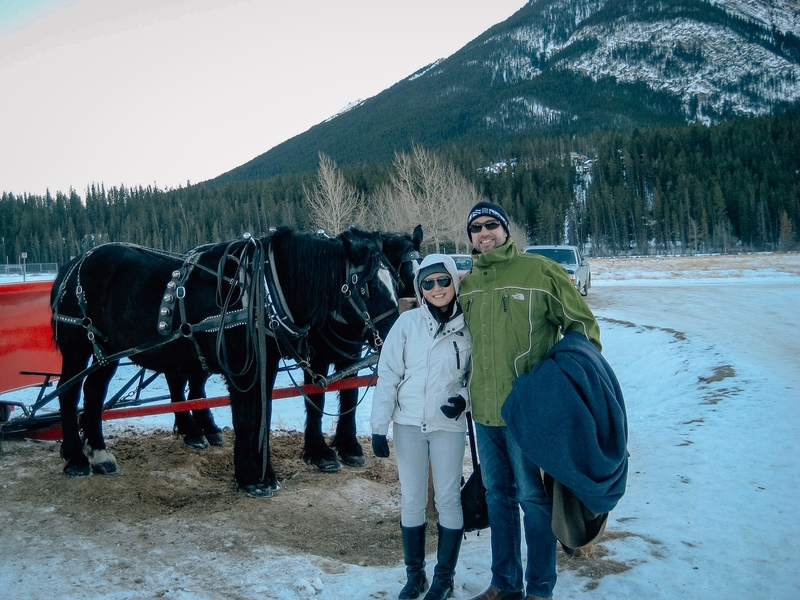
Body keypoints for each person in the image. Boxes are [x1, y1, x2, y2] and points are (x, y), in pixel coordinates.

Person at [458, 202, 602, 600]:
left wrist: (566, 385)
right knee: (497, 498)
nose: (483, 233)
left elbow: (583, 330)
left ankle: (539, 588)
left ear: (506, 230)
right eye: (475, 228)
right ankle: (504, 584)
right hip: (484, 412)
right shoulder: (467, 285)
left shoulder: (540, 272)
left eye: (491, 225)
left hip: (527, 414)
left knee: (532, 500)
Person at [371, 253, 473, 600]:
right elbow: (388, 376)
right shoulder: (407, 325)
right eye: (427, 283)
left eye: (442, 280)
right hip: (409, 423)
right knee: (413, 499)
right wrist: (377, 426)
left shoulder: (468, 326)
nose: (436, 288)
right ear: (420, 287)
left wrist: (464, 398)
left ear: (453, 282)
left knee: (447, 498)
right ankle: (416, 576)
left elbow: (476, 375)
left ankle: (445, 578)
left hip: (448, 424)